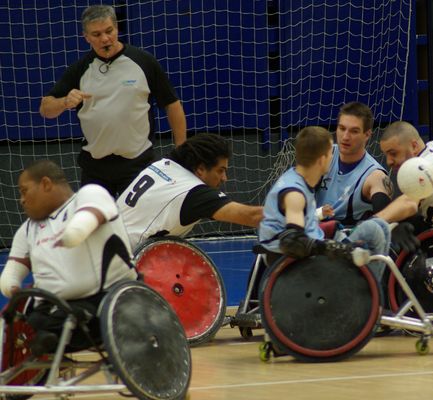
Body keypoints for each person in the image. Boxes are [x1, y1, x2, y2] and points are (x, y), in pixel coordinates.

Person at [39, 5, 187, 198]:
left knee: (139, 226)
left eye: (109, 31)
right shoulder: (80, 69)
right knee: (94, 225)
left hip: (138, 164)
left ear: (117, 28)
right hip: (95, 168)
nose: (105, 39)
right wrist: (64, 101)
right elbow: (45, 109)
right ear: (86, 37)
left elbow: (172, 104)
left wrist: (181, 149)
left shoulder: (143, 62)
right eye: (97, 34)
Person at [0, 160, 137, 356]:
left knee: (56, 319)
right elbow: (13, 270)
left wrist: (69, 237)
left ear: (46, 184)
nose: (21, 200)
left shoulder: (89, 194)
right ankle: (44, 342)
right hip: (54, 309)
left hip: (108, 300)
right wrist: (11, 285)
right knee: (19, 320)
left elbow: (80, 228)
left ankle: (48, 338)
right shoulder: (28, 229)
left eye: (24, 191)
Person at [259, 126, 419, 284]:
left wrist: (329, 230)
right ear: (322, 159)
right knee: (374, 231)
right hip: (296, 261)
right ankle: (366, 292)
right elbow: (292, 241)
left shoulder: (300, 182)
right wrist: (332, 247)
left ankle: (369, 290)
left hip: (309, 250)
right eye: (331, 153)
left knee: (378, 227)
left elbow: (303, 227)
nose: (335, 157)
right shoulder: (295, 193)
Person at [117, 133, 264, 250]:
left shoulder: (164, 165)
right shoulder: (193, 193)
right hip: (122, 261)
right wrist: (286, 212)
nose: (225, 178)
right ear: (200, 169)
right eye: (220, 171)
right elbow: (252, 216)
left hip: (103, 239)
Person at [315, 102, 394, 225]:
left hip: (348, 238)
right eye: (342, 128)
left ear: (367, 135)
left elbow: (386, 213)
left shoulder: (375, 175)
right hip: (314, 230)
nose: (345, 137)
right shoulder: (323, 154)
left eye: (354, 131)